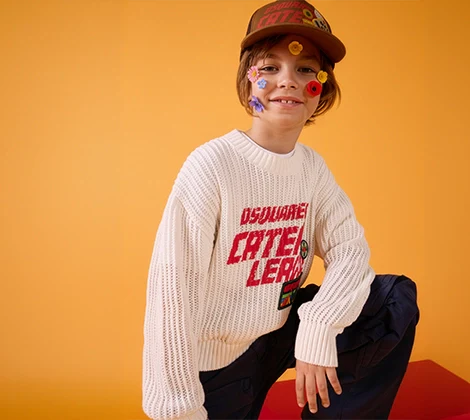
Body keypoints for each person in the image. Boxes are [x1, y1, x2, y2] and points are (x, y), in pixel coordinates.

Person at [141, 0, 419, 419]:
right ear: (246, 82)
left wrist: (319, 325)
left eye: (306, 69)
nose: (287, 80)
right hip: (217, 363)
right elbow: (171, 293)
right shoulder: (211, 166)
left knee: (391, 299)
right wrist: (178, 408)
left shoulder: (311, 169)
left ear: (321, 87)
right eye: (269, 68)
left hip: (277, 333)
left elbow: (351, 251)